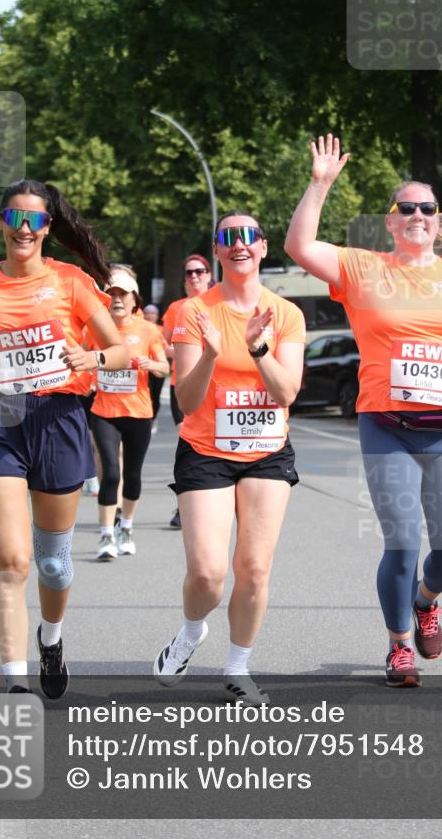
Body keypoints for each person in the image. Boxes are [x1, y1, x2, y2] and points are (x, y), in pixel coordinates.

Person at [285, 133, 442, 687]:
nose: (417, 215)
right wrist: (320, 183)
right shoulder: (362, 268)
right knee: (401, 540)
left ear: (437, 222)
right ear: (390, 221)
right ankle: (398, 648)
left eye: (427, 208)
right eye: (406, 208)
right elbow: (301, 247)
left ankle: (427, 600)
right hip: (387, 428)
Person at [0, 179, 127, 697]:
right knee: (13, 559)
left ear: (48, 228)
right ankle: (14, 681)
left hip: (58, 414)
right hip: (0, 413)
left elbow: (119, 351)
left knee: (53, 561)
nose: (23, 229)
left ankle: (50, 641)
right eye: (15, 219)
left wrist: (92, 358)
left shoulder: (72, 282)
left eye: (34, 220)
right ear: (0, 223)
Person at [153, 212, 305, 704]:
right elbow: (189, 400)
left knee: (255, 567)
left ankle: (238, 666)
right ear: (217, 251)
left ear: (263, 248)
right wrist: (213, 355)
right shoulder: (194, 311)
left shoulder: (286, 314)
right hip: (205, 451)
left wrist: (259, 348)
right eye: (227, 237)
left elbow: (287, 394)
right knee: (207, 575)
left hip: (266, 452)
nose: (238, 244)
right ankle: (191, 631)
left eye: (247, 237)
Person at [90, 269, 169, 560]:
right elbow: (82, 357)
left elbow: (165, 368)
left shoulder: (148, 330)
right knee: (111, 472)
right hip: (104, 412)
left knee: (133, 474)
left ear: (135, 300)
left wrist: (149, 364)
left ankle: (127, 527)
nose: (116, 299)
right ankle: (106, 534)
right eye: (111, 294)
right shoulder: (96, 328)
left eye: (122, 294)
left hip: (138, 413)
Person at [161, 253, 213, 528]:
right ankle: (185, 503)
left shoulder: (219, 303)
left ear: (209, 275)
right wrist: (186, 347)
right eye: (189, 273)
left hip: (215, 387)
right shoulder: (176, 308)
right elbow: (164, 344)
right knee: (188, 439)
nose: (194, 276)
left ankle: (214, 496)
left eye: (199, 271)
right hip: (182, 385)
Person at [142, 303, 168, 428]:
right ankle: (146, 419)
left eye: (153, 313)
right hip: (143, 367)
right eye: (147, 313)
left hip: (157, 366)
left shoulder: (161, 330)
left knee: (156, 395)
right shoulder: (139, 328)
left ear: (157, 316)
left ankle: (153, 417)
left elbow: (166, 347)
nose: (150, 315)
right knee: (146, 393)